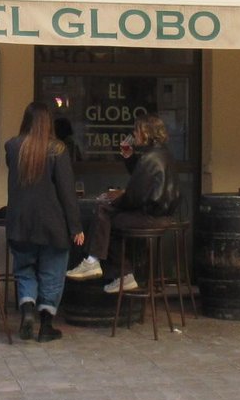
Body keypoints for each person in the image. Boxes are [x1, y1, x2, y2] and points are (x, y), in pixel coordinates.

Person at [66, 112, 180, 294]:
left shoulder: (150, 158)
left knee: (104, 214)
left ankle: (95, 262)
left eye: (136, 131)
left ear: (145, 132)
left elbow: (134, 196)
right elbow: (142, 177)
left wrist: (114, 200)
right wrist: (129, 158)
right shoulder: (162, 154)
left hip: (151, 217)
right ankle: (122, 273)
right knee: (110, 221)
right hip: (162, 216)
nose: (134, 135)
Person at [5, 101, 84, 343]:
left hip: (20, 223)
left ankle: (27, 310)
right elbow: (66, 192)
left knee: (24, 270)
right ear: (48, 123)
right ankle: (46, 326)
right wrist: (76, 227)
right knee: (52, 273)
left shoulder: (13, 146)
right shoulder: (58, 150)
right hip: (52, 224)